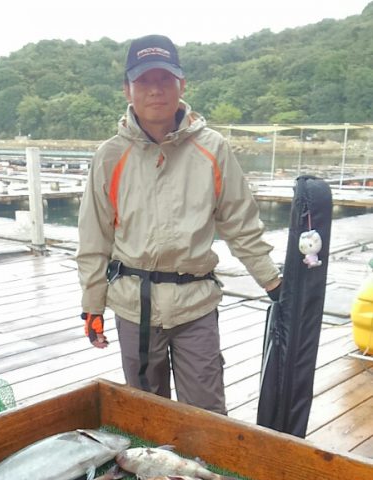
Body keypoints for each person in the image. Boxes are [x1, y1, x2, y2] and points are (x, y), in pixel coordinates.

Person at [77, 34, 281, 414]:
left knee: (207, 413)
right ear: (127, 89)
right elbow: (94, 238)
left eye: (164, 79)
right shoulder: (109, 156)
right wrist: (93, 305)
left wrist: (272, 281)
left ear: (181, 84)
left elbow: (240, 223)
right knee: (145, 414)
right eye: (144, 81)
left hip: (195, 304)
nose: (155, 90)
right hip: (134, 308)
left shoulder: (213, 148)